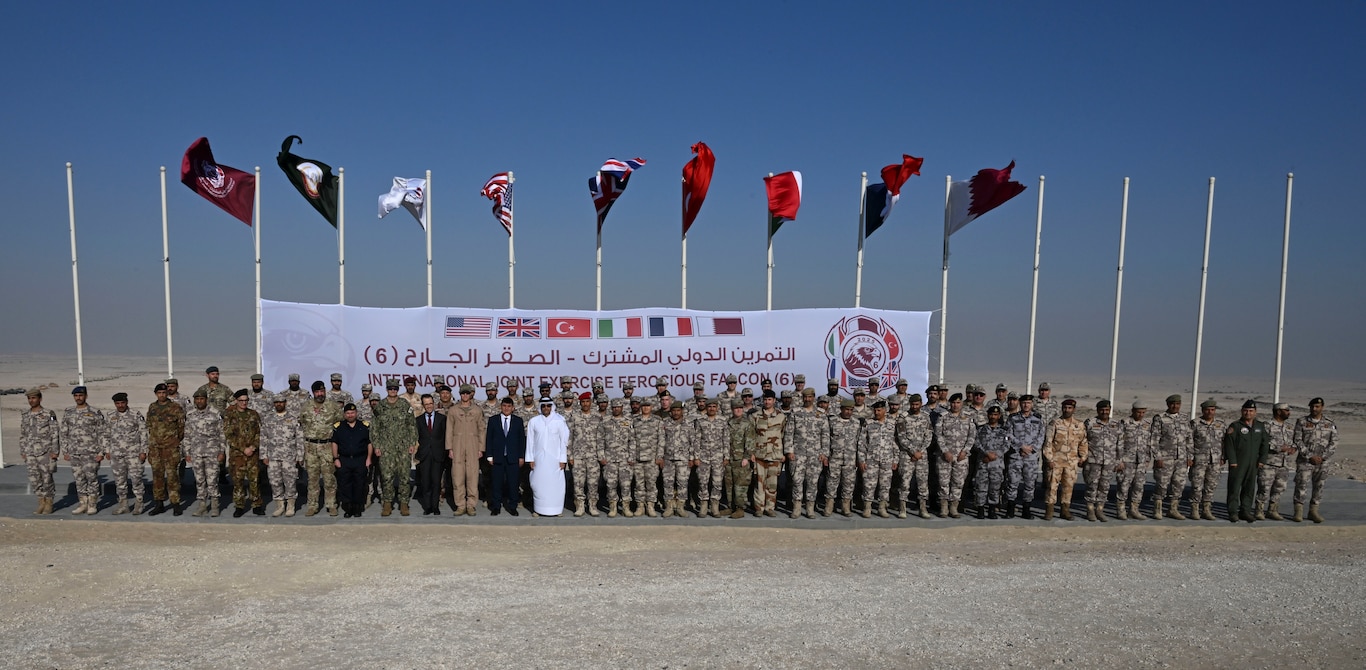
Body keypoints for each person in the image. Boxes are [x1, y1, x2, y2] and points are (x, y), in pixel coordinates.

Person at [373, 381, 419, 517]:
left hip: (403, 447)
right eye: (390, 388)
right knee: (387, 477)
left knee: (404, 477)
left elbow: (411, 425)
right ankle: (387, 503)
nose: (392, 390)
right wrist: (376, 445)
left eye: (395, 388)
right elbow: (375, 428)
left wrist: (412, 443)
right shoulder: (380, 406)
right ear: (387, 389)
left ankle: (404, 503)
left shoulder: (404, 405)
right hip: (386, 448)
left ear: (398, 390)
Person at [299, 380, 344, 516]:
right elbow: (301, 422)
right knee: (312, 479)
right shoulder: (306, 406)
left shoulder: (333, 406)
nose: (320, 394)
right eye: (317, 392)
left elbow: (340, 425)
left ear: (325, 391)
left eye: (322, 391)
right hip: (311, 447)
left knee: (329, 478)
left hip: (327, 446)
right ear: (313, 393)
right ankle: (312, 505)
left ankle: (331, 504)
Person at [60, 386, 106, 515]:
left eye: (80, 395)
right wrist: (65, 451)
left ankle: (92, 504)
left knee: (92, 478)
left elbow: (102, 433)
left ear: (86, 396)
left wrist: (101, 452)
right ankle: (82, 503)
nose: (78, 398)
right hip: (74, 452)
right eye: (76, 396)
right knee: (79, 479)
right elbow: (64, 432)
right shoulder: (69, 412)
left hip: (91, 452)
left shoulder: (94, 412)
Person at [1223, 399, 1269, 522]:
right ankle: (1233, 512)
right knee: (1234, 487)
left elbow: (1265, 444)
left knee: (1249, 488)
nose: (1248, 413)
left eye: (1250, 411)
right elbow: (1229, 445)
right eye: (1245, 411)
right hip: (1238, 462)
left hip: (1253, 462)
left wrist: (1262, 459)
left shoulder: (1260, 426)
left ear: (1255, 412)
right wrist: (1232, 460)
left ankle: (1245, 511)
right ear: (1242, 411)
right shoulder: (1235, 426)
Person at [785, 388, 829, 519]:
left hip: (815, 455)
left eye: (810, 397)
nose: (807, 399)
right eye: (805, 397)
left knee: (812, 482)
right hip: (798, 454)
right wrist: (789, 451)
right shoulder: (796, 412)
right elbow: (789, 433)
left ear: (814, 397)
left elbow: (825, 435)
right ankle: (797, 507)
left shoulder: (821, 414)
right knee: (797, 481)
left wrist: (824, 453)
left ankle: (810, 508)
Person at [1042, 398, 1088, 521]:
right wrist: (1049, 459)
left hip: (1071, 462)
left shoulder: (1079, 425)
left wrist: (1083, 457)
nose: (1067, 410)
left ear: (1074, 409)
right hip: (1056, 461)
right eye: (1065, 408)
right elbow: (1048, 442)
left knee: (1068, 487)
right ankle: (1049, 510)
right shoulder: (1055, 423)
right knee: (1052, 486)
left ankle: (1065, 510)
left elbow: (1083, 442)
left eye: (1069, 408)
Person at [442, 384, 485, 516]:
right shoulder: (453, 410)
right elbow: (449, 430)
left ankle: (471, 505)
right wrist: (449, 448)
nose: (465, 396)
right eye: (463, 393)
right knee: (458, 477)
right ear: (460, 394)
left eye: (467, 393)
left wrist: (481, 448)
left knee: (472, 477)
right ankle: (460, 505)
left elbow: (481, 430)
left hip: (472, 446)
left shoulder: (477, 410)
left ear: (470, 394)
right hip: (457, 445)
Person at [1292, 397, 1337, 523]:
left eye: (1317, 406)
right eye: (1312, 406)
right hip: (1305, 460)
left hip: (1322, 462)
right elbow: (1297, 440)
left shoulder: (1330, 423)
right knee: (1301, 485)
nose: (1314, 409)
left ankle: (1313, 511)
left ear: (1322, 407)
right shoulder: (1301, 422)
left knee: (1319, 486)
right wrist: (1309, 455)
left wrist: (1323, 457)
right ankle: (1298, 511)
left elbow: (1334, 442)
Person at [1149, 394, 1193, 520]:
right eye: (1172, 404)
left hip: (1181, 458)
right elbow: (1154, 439)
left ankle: (1173, 509)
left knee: (1178, 484)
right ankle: (1157, 509)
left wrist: (1190, 456)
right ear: (1168, 405)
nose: (1175, 406)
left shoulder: (1184, 418)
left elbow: (1189, 439)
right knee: (1162, 484)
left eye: (1178, 404)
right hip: (1165, 458)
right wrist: (1157, 457)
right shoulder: (1160, 418)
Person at [183, 390, 227, 517]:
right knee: (199, 480)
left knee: (212, 479)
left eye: (201, 399)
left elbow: (221, 434)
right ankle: (202, 505)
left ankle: (214, 505)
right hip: (196, 452)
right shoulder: (190, 414)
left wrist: (222, 451)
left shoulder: (215, 413)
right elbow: (187, 434)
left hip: (212, 452)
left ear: (206, 399)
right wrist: (187, 451)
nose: (199, 401)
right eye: (197, 399)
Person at [145, 383, 186, 516]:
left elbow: (181, 428)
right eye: (159, 393)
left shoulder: (175, 407)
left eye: (164, 393)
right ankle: (159, 504)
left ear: (167, 393)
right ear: (156, 394)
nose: (162, 395)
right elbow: (149, 426)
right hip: (156, 449)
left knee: (172, 476)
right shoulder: (152, 407)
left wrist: (173, 441)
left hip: (170, 449)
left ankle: (175, 504)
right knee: (157, 477)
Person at [260, 393, 303, 517]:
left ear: (285, 402)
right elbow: (263, 438)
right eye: (276, 402)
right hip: (273, 456)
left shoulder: (293, 418)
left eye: (281, 402)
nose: (279, 404)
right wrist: (264, 455)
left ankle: (290, 505)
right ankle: (279, 505)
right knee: (275, 481)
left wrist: (300, 456)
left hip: (289, 456)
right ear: (274, 404)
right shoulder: (268, 419)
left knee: (290, 481)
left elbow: (299, 438)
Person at [105, 392, 148, 515]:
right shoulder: (110, 416)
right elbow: (106, 434)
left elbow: (143, 433)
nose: (120, 405)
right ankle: (123, 504)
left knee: (136, 479)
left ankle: (139, 503)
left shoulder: (135, 415)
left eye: (122, 403)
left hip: (133, 454)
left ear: (126, 402)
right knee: (119, 481)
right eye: (117, 403)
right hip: (117, 454)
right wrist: (107, 450)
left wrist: (143, 451)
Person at [223, 389, 264, 517]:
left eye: (246, 400)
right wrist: (243, 448)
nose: (244, 403)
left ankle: (256, 504)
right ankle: (239, 505)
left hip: (252, 454)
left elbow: (259, 433)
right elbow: (228, 435)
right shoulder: (229, 415)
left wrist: (252, 447)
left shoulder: (253, 414)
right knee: (238, 481)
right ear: (236, 401)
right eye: (241, 401)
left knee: (254, 480)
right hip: (237, 455)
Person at [1004, 394, 1046, 519]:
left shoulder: (1038, 419)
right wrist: (1021, 446)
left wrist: (1031, 449)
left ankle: (1026, 509)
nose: (1026, 405)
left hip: (1031, 457)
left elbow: (1041, 436)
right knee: (1012, 483)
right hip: (1016, 455)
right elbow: (1008, 434)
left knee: (1030, 484)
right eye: (1023, 403)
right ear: (1020, 404)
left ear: (1032, 404)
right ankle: (1010, 509)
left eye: (1028, 403)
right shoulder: (1013, 418)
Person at [526, 397, 569, 516]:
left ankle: (556, 510)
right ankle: (538, 510)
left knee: (556, 486)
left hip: (555, 460)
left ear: (552, 407)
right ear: (540, 407)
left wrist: (562, 459)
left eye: (548, 405)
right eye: (543, 406)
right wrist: (530, 459)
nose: (546, 408)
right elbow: (530, 441)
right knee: (539, 485)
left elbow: (563, 442)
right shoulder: (534, 421)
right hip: (538, 459)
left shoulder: (560, 421)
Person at [20, 389, 60, 515]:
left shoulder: (49, 413)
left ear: (40, 399)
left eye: (33, 398)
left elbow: (55, 433)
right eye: (29, 398)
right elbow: (23, 434)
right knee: (34, 479)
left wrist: (55, 450)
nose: (31, 401)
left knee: (47, 478)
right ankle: (41, 502)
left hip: (45, 452)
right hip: (30, 452)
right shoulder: (25, 414)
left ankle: (49, 502)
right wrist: (23, 450)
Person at [894, 393, 933, 519]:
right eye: (912, 404)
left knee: (923, 483)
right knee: (904, 483)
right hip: (907, 455)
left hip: (921, 455)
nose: (914, 406)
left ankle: (922, 508)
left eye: (917, 404)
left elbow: (929, 436)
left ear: (921, 404)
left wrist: (920, 452)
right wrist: (912, 451)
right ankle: (902, 509)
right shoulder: (903, 417)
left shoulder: (926, 417)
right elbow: (901, 437)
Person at [934, 393, 973, 518]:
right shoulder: (943, 417)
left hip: (961, 456)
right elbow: (938, 435)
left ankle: (954, 507)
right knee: (943, 481)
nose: (955, 405)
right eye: (953, 403)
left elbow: (972, 436)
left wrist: (965, 451)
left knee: (958, 482)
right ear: (950, 403)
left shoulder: (967, 417)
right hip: (945, 456)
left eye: (958, 403)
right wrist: (945, 451)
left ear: (961, 403)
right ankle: (944, 507)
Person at [1083, 400, 1122, 522]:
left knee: (1104, 487)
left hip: (1109, 462)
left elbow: (1120, 444)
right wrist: (1083, 457)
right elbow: (1083, 441)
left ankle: (1100, 509)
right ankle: (1090, 510)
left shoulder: (1116, 424)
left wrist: (1119, 461)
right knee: (1092, 486)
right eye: (1102, 410)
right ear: (1097, 410)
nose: (1104, 412)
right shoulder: (1090, 423)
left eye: (1107, 410)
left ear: (1110, 410)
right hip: (1093, 461)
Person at [485, 397, 526, 516]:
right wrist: (489, 456)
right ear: (500, 407)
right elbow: (489, 439)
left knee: (513, 483)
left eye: (509, 406)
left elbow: (521, 440)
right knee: (496, 483)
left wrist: (521, 456)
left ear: (513, 408)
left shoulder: (518, 421)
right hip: (498, 457)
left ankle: (512, 506)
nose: (506, 408)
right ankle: (496, 506)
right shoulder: (493, 420)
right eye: (504, 406)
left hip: (513, 457)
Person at [749, 390, 787, 517]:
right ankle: (759, 508)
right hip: (759, 455)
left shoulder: (781, 416)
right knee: (759, 483)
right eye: (765, 399)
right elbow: (751, 436)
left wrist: (782, 453)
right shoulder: (755, 416)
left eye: (770, 399)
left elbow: (783, 435)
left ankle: (770, 507)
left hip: (775, 455)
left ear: (774, 401)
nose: (767, 402)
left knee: (772, 483)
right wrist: (751, 453)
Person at [331, 403, 373, 518]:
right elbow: (334, 443)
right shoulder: (338, 427)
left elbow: (369, 443)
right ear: (344, 414)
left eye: (352, 413)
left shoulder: (364, 426)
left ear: (356, 413)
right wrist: (335, 458)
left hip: (360, 459)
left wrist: (369, 458)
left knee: (359, 484)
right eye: (348, 413)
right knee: (345, 484)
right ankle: (348, 508)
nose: (350, 415)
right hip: (344, 460)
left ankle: (357, 508)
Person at [972, 406, 1013, 519]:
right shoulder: (980, 430)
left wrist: (996, 455)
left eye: (995, 415)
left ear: (999, 416)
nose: (993, 417)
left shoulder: (1003, 431)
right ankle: (980, 509)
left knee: (995, 488)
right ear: (987, 415)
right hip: (983, 463)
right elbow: (976, 443)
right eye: (991, 414)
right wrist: (986, 453)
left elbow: (1007, 445)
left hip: (997, 464)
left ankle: (992, 509)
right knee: (981, 487)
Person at [1257, 402, 1296, 520]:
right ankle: (1259, 510)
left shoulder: (1289, 427)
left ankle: (1273, 510)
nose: (1289, 413)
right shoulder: (1267, 425)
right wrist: (1278, 448)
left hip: (1284, 463)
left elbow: (1294, 440)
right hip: (1269, 463)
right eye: (1286, 410)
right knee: (1264, 488)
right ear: (1278, 411)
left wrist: (1294, 448)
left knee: (1279, 488)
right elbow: (1262, 442)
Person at [1189, 399, 1227, 521]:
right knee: (1197, 485)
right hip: (1199, 460)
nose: (1210, 412)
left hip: (1215, 460)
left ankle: (1206, 509)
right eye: (1207, 410)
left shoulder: (1221, 424)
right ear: (1203, 410)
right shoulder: (1195, 423)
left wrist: (1223, 456)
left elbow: (1224, 442)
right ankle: (1194, 509)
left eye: (1212, 410)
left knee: (1211, 485)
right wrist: (1190, 457)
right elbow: (1189, 441)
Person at [566, 393, 602, 517]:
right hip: (578, 456)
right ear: (580, 403)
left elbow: (601, 438)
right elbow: (569, 437)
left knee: (593, 483)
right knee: (578, 482)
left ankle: (592, 505)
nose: (585, 404)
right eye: (583, 402)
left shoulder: (597, 417)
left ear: (591, 402)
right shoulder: (574, 417)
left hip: (593, 456)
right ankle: (580, 505)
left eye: (587, 401)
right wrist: (569, 455)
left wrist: (601, 455)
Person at [1116, 401, 1153, 520]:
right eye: (1138, 412)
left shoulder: (1147, 424)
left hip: (1141, 461)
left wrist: (1147, 458)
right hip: (1127, 460)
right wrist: (1119, 460)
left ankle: (1134, 509)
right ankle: (1121, 510)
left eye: (1143, 412)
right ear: (1133, 411)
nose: (1141, 414)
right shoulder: (1125, 423)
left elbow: (1148, 443)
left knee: (1139, 486)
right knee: (1124, 485)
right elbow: (1119, 442)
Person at [601, 398, 636, 518]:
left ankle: (625, 507)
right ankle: (613, 507)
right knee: (611, 484)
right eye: (614, 407)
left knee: (626, 484)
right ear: (611, 408)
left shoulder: (628, 421)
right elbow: (600, 440)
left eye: (618, 407)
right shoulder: (605, 421)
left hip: (625, 459)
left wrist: (632, 456)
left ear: (622, 407)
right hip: (609, 459)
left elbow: (632, 440)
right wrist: (601, 456)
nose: (616, 409)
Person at [826, 400, 861, 517]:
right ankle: (829, 505)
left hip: (850, 459)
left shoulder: (856, 423)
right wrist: (826, 455)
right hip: (835, 458)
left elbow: (859, 442)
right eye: (846, 409)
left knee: (849, 483)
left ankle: (845, 506)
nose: (849, 412)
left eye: (851, 410)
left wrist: (858, 458)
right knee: (831, 482)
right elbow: (827, 440)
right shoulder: (832, 421)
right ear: (841, 409)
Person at [413, 395, 447, 515]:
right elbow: (416, 438)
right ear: (423, 405)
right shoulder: (418, 420)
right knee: (426, 482)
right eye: (426, 404)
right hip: (425, 455)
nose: (429, 406)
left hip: (438, 454)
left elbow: (445, 437)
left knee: (436, 482)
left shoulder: (442, 418)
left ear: (434, 404)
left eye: (430, 403)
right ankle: (427, 507)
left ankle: (435, 506)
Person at [631, 398, 665, 517]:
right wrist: (632, 456)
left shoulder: (657, 421)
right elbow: (631, 440)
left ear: (652, 407)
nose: (645, 408)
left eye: (648, 406)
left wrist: (659, 456)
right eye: (643, 405)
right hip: (638, 458)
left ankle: (650, 505)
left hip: (652, 458)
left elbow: (661, 440)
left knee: (651, 483)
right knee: (639, 484)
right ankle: (640, 506)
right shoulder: (635, 421)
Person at [661, 404, 696, 517]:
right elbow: (661, 441)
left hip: (683, 459)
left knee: (682, 483)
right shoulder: (665, 423)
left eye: (678, 410)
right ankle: (669, 507)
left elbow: (693, 442)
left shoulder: (688, 423)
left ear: (682, 411)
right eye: (674, 410)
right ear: (670, 411)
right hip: (668, 459)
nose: (676, 412)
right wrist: (660, 457)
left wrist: (691, 458)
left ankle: (680, 507)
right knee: (668, 483)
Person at [725, 400, 757, 518]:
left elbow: (750, 442)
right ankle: (730, 506)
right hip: (729, 458)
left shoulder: (747, 423)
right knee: (729, 484)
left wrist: (746, 457)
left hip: (741, 459)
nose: (738, 410)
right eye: (735, 408)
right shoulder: (728, 422)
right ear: (732, 409)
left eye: (740, 408)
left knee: (741, 485)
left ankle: (740, 508)